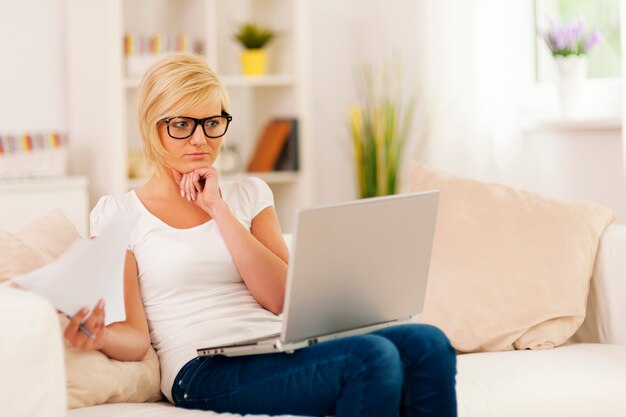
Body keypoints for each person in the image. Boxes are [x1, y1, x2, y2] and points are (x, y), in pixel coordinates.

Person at [63, 53, 458, 417]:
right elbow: (134, 337)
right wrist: (99, 337)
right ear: (153, 129)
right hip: (199, 368)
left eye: (212, 123)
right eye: (182, 125)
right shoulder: (119, 213)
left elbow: (277, 299)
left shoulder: (249, 194)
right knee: (371, 357)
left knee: (428, 343)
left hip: (273, 344)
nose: (201, 139)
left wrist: (219, 209)